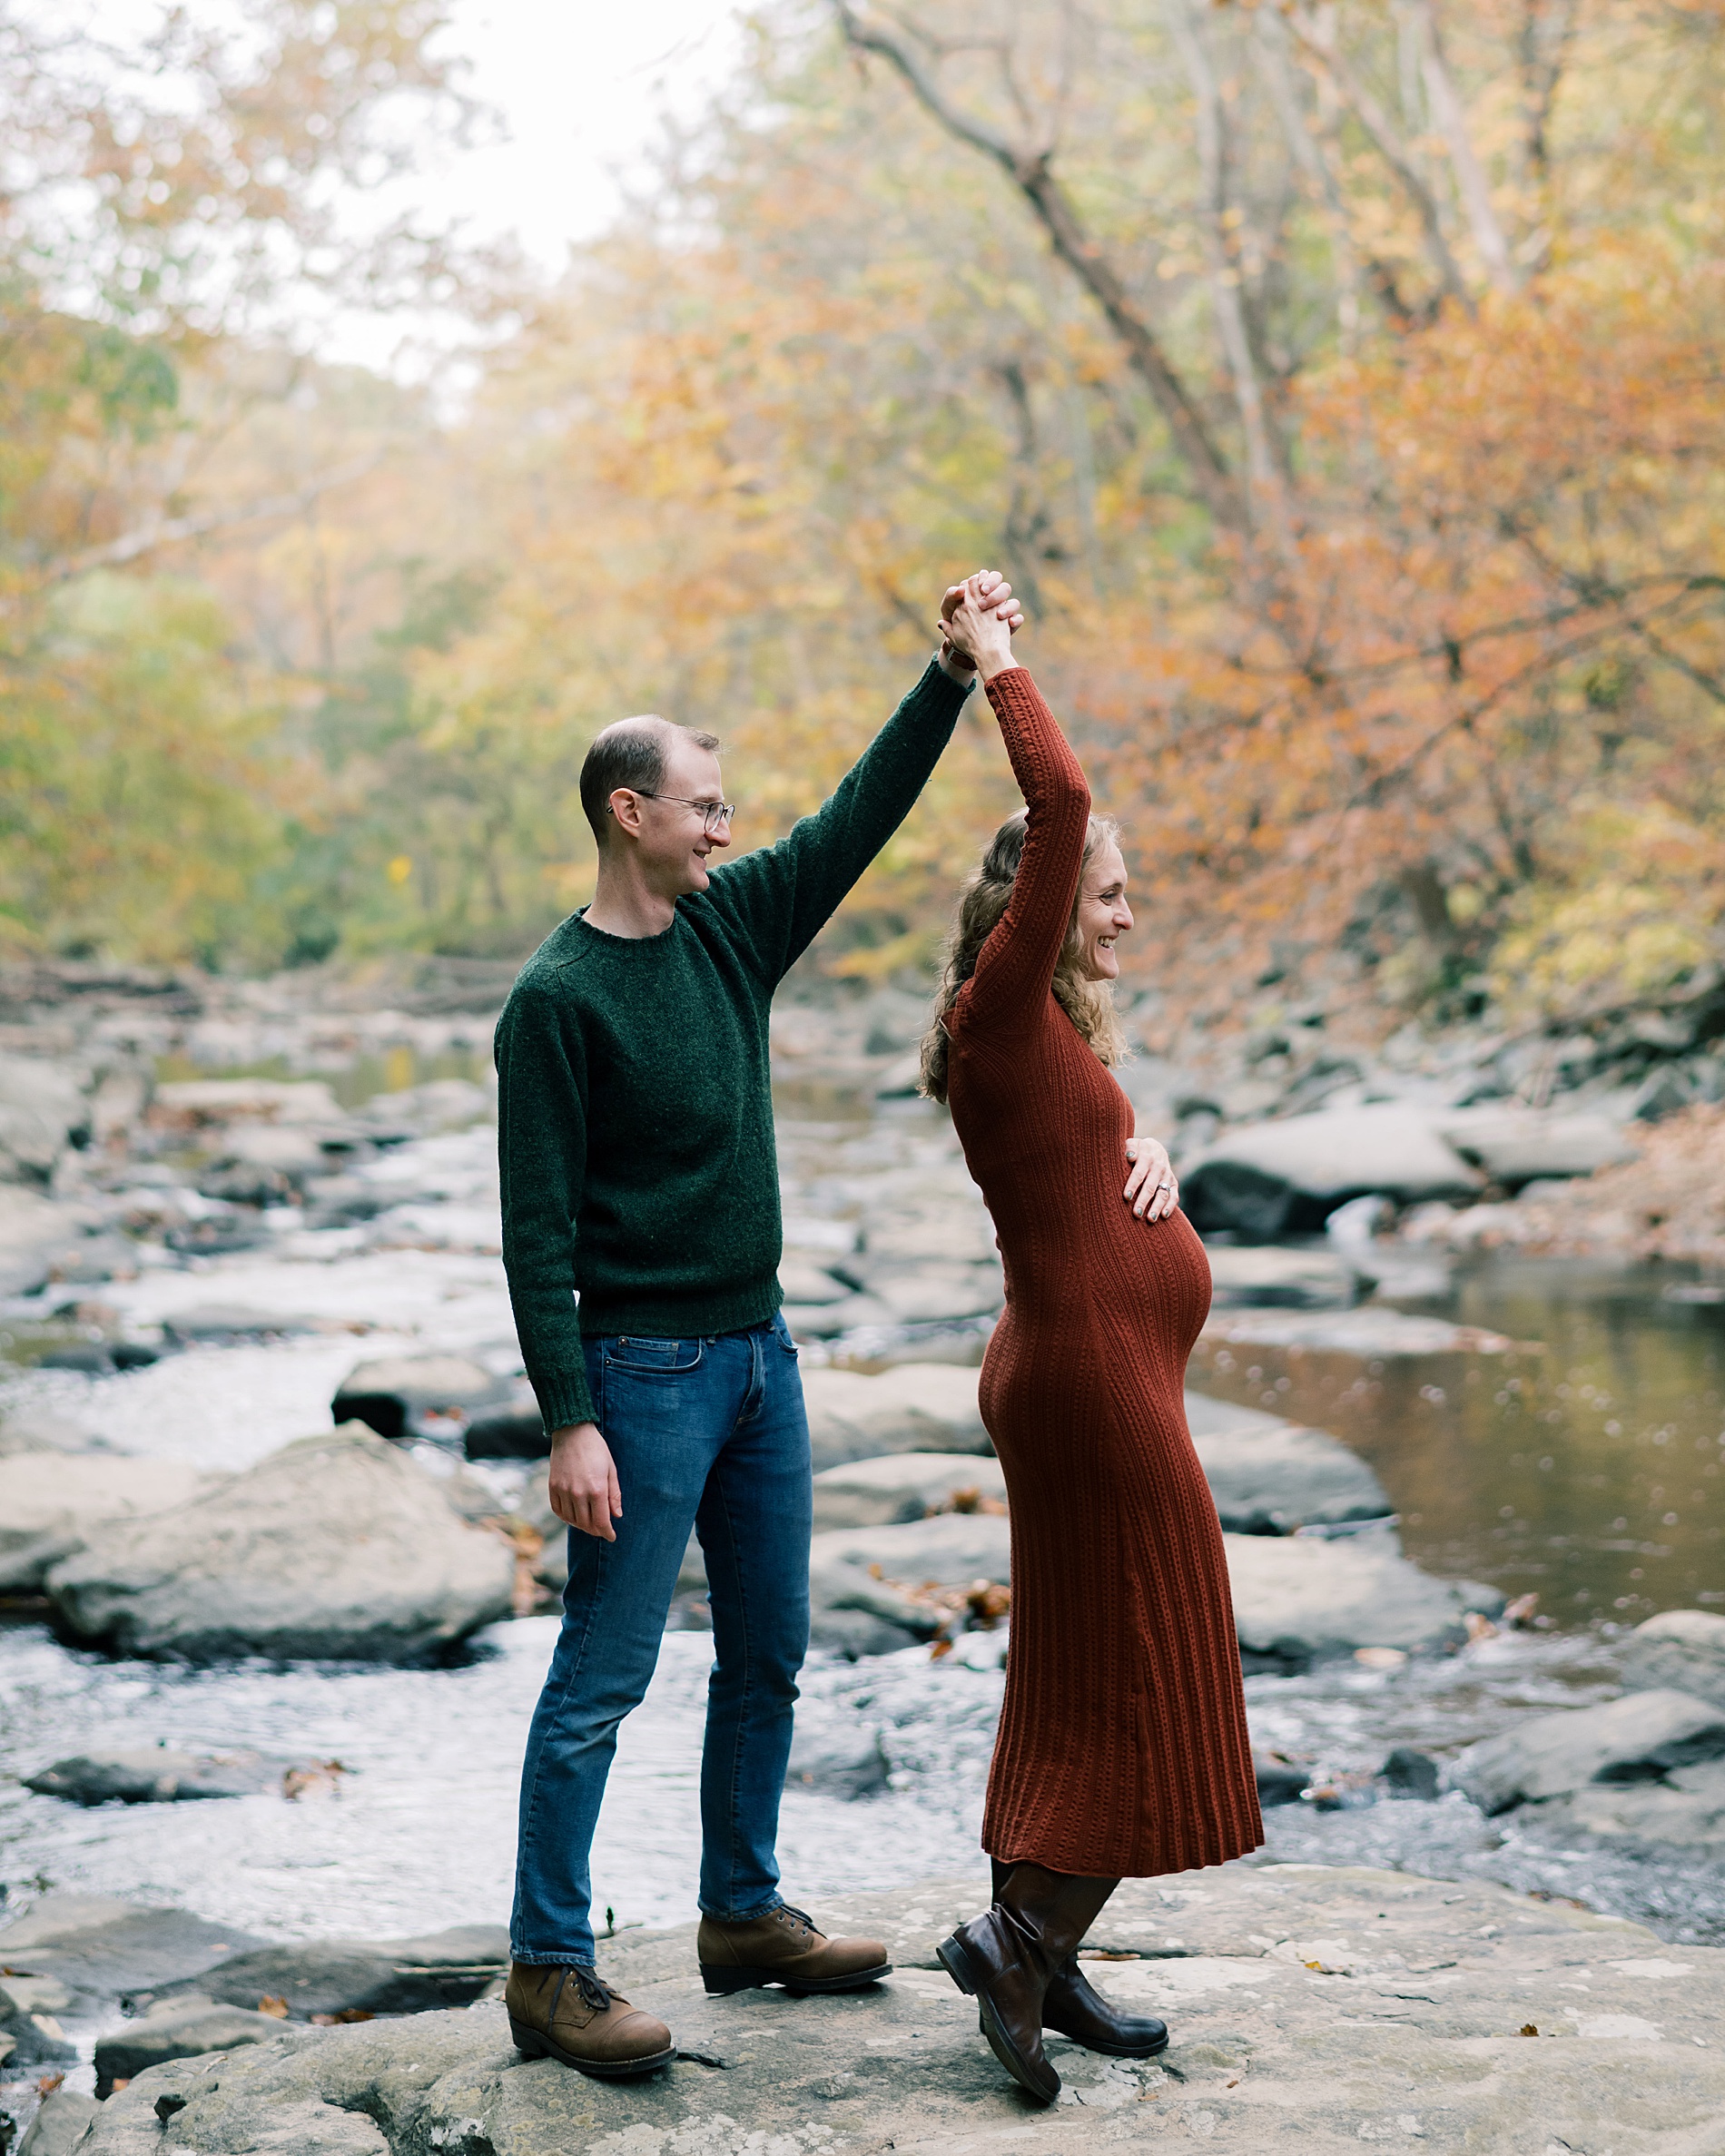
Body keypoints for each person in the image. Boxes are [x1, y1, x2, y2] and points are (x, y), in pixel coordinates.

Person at [493, 572, 1068, 2079]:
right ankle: (549, 1971)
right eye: (701, 807)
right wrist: (571, 1418)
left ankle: (742, 1915)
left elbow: (855, 819)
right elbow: (535, 1230)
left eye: (726, 806)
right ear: (629, 813)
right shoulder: (555, 1003)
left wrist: (951, 678)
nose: (727, 827)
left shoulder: (731, 930)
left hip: (761, 1359)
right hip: (644, 1375)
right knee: (600, 1679)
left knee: (771, 1655)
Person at [921, 575, 1263, 2105]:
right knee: (1151, 1665)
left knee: (1076, 1671)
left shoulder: (1046, 1038)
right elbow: (1059, 798)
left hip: (1080, 1371)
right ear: (1036, 907)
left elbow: (1074, 1176)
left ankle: (1043, 1967)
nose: (1125, 916)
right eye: (1109, 896)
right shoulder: (1004, 1006)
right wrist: (999, 666)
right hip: (1087, 1391)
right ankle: (1020, 1946)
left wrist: (1153, 1171)